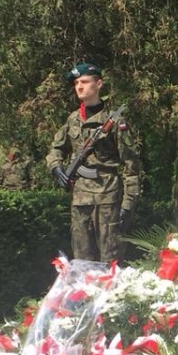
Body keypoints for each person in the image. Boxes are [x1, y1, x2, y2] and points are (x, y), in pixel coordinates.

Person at [45, 62, 142, 262]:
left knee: (111, 259)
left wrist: (128, 204)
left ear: (98, 84)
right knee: (81, 260)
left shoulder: (114, 121)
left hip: (108, 198)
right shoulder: (73, 120)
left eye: (85, 81)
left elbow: (131, 166)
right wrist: (56, 167)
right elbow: (56, 148)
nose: (79, 86)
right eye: (76, 83)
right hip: (80, 199)